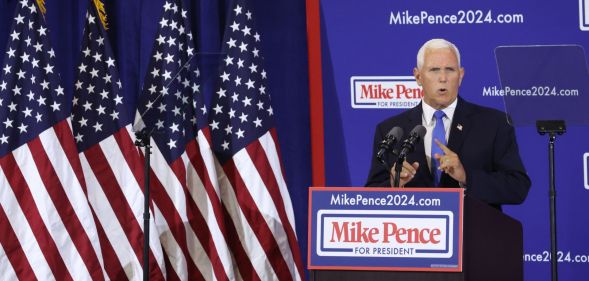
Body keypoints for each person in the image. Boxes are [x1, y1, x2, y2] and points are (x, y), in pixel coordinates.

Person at [365, 38, 530, 209]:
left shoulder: (493, 123)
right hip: (415, 233)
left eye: (450, 70)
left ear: (460, 75)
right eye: (434, 70)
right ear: (418, 76)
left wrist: (466, 176)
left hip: (473, 232)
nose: (443, 78)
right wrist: (394, 184)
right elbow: (371, 193)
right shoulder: (391, 130)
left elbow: (517, 187)